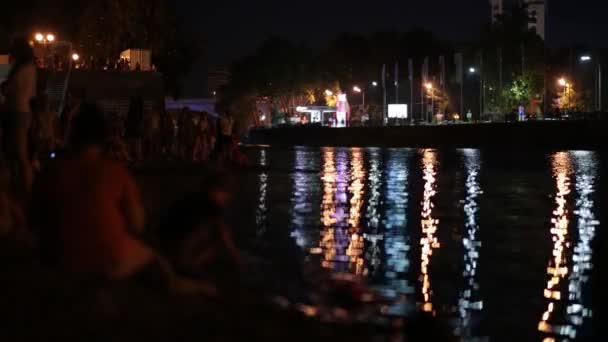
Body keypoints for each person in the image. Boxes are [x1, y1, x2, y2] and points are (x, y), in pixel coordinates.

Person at [1, 37, 37, 201]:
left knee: (19, 154)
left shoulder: (22, 69)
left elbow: (10, 88)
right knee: (17, 153)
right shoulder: (31, 69)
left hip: (17, 112)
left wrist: (5, 86)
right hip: (22, 112)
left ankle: (27, 189)